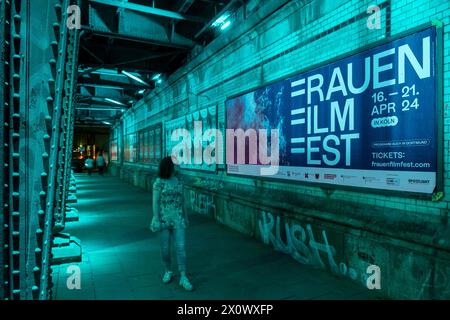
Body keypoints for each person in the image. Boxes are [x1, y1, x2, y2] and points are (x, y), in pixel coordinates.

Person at [150, 156, 193, 291]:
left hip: (178, 219)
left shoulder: (179, 181)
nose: (177, 167)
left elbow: (183, 201)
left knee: (181, 248)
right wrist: (156, 218)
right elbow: (155, 202)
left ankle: (183, 276)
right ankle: (168, 270)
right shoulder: (159, 182)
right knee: (165, 249)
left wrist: (186, 217)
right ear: (169, 167)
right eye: (175, 165)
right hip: (163, 220)